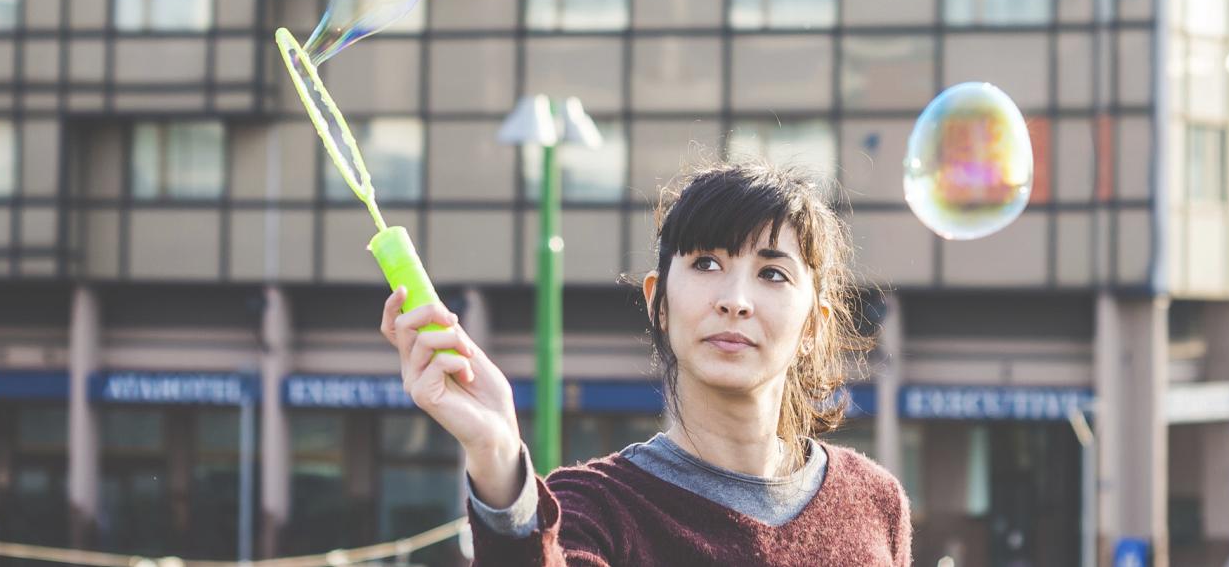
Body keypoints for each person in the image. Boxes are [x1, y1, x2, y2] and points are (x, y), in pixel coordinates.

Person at [378, 163, 911, 564]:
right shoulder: (589, 510)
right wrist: (495, 455)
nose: (735, 299)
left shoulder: (874, 501)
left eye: (773, 273)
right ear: (658, 301)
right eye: (706, 263)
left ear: (814, 323)